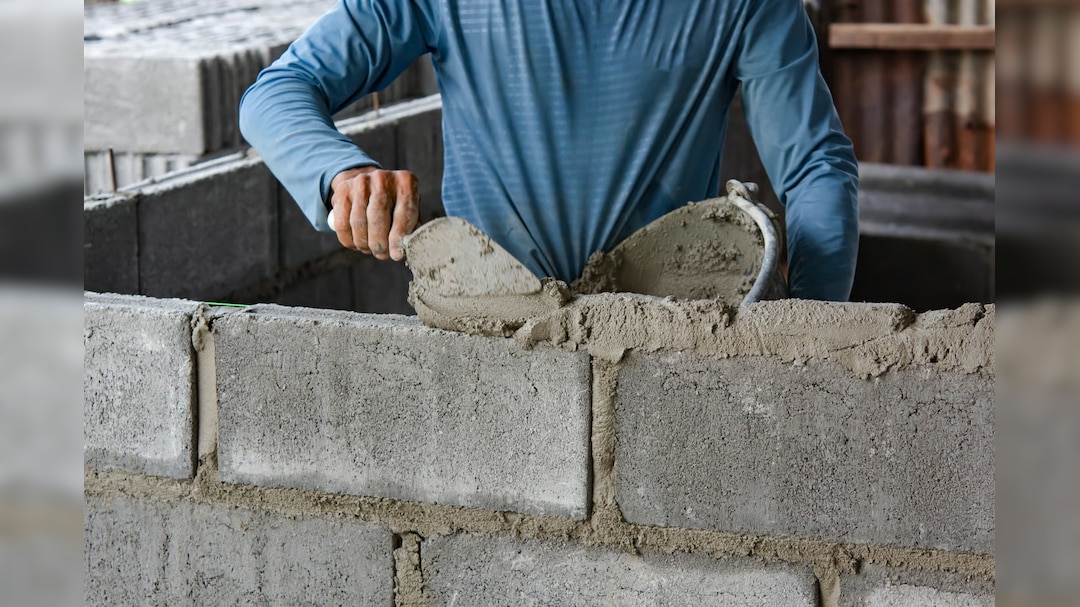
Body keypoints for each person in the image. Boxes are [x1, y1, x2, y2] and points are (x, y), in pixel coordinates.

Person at [239, 0, 859, 301]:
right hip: (487, 331)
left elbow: (814, 168)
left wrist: (808, 326)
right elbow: (277, 92)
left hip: (667, 342)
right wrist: (340, 172)